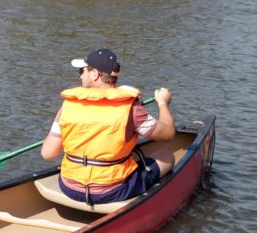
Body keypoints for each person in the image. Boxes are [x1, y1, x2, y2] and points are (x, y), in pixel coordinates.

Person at [40, 47, 175, 204]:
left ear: (95, 74)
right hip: (113, 190)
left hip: (70, 187)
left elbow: (48, 154)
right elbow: (168, 133)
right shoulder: (131, 108)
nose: (80, 76)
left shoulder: (68, 105)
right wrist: (163, 103)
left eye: (81, 71)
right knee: (167, 156)